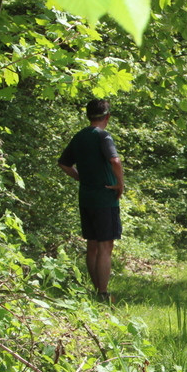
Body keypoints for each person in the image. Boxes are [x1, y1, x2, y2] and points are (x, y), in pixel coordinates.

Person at [57, 98, 125, 303]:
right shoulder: (103, 136)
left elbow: (64, 164)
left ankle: (96, 290)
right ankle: (103, 293)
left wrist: (80, 177)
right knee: (106, 246)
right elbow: (115, 160)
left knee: (92, 245)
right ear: (107, 116)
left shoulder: (79, 137)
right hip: (105, 198)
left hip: (86, 198)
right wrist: (120, 184)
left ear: (88, 115)